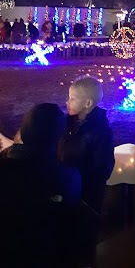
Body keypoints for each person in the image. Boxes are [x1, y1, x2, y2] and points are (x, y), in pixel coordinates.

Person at [0, 103, 82, 266]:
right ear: (59, 136)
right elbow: (70, 227)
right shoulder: (67, 177)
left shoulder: (4, 168)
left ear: (22, 131)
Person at [59, 76, 115, 214]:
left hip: (86, 198)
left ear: (88, 103)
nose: (67, 102)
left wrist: (80, 179)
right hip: (65, 189)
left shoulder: (100, 131)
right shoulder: (66, 124)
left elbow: (103, 167)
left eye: (72, 99)